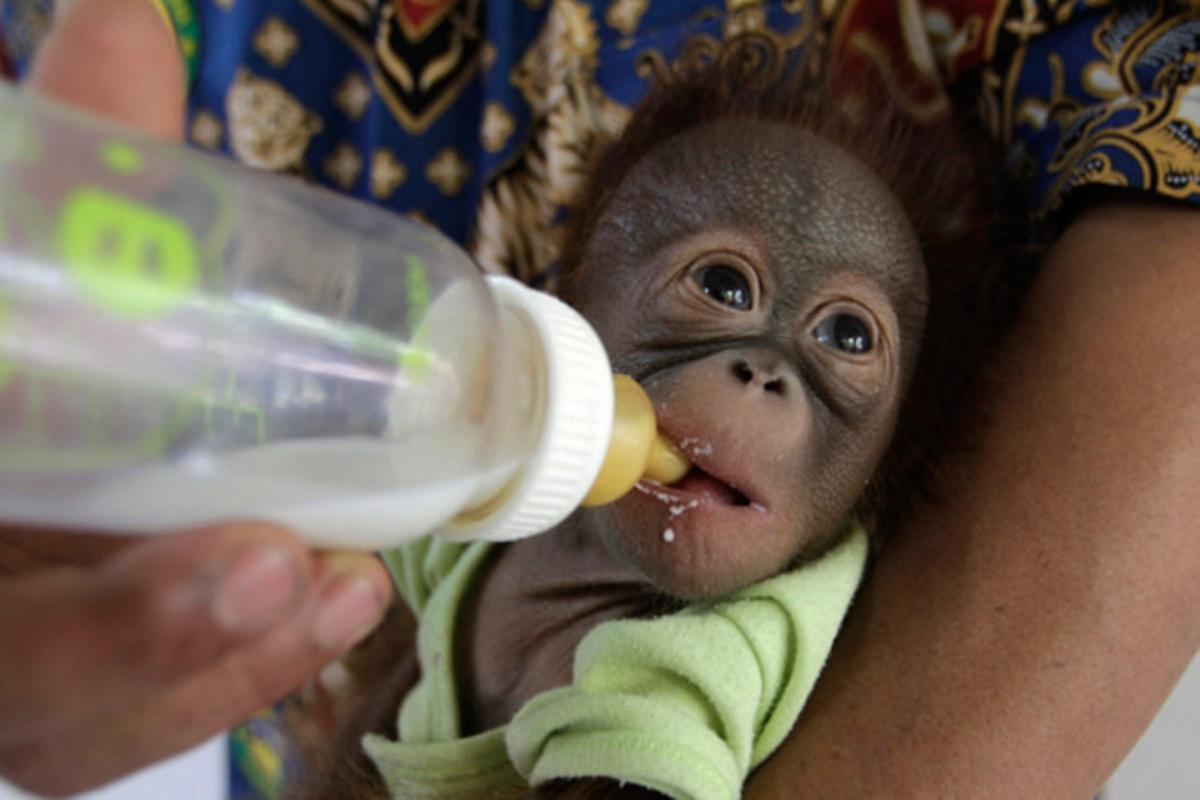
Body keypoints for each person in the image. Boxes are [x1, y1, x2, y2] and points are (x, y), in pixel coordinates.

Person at [1, 0, 1197, 796]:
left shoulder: (683, 668)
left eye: (846, 339)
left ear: (887, 464)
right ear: (574, 302)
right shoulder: (470, 483)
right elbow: (368, 576)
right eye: (722, 286)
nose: (762, 370)